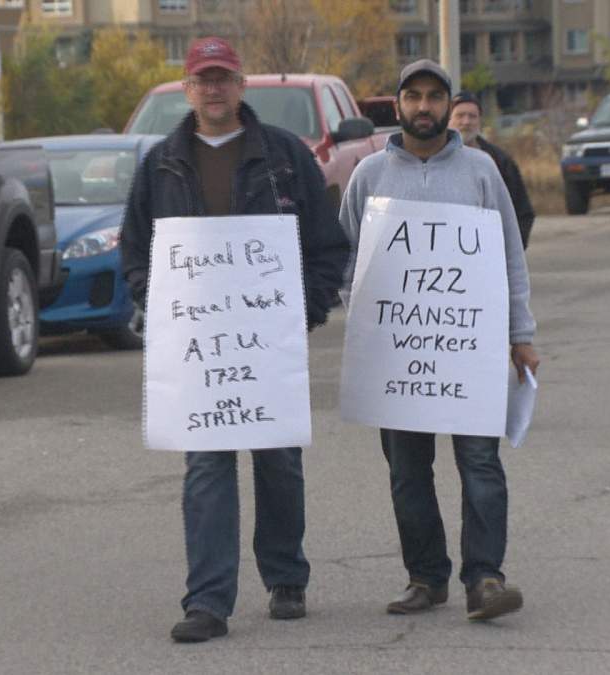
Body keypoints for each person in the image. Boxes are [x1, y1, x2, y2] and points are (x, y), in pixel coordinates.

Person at [120, 37, 349, 643]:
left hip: (268, 344)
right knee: (207, 469)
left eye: (224, 77)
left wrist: (305, 311)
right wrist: (161, 309)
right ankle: (208, 602)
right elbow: (136, 250)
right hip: (199, 351)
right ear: (188, 88)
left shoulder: (284, 156)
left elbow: (327, 246)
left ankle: (286, 578)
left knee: (278, 462)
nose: (214, 88)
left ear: (241, 85)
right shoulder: (161, 162)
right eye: (204, 79)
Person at [338, 59, 539, 622]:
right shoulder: (368, 177)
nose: (423, 107)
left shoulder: (481, 171)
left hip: (467, 352)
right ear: (397, 105)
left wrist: (520, 335)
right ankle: (426, 577)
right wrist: (361, 326)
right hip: (395, 355)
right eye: (413, 96)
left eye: (434, 96)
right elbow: (349, 259)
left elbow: (509, 259)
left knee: (480, 464)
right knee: (407, 470)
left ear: (450, 105)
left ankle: (486, 578)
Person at [449, 91, 536, 248]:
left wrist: (509, 250)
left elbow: (522, 212)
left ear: (480, 121)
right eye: (460, 115)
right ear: (448, 119)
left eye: (472, 116)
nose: (466, 121)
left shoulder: (501, 162)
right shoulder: (434, 160)